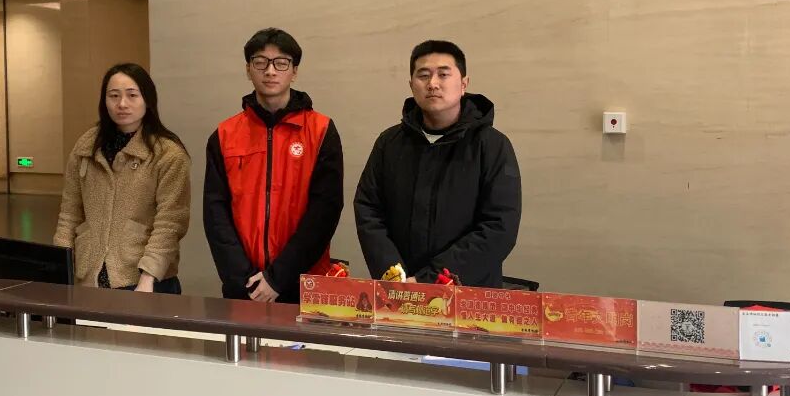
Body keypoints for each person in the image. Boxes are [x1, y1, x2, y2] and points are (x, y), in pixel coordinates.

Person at [354, 40, 521, 287]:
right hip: (398, 290)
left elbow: (499, 227)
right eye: (423, 75)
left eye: (443, 74)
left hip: (466, 293)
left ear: (463, 84)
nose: (432, 83)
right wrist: (396, 276)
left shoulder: (493, 146)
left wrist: (429, 280)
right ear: (411, 85)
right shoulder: (389, 143)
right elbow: (368, 209)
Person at [204, 28, 343, 303]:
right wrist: (243, 279)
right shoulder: (224, 135)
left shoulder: (321, 130)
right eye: (260, 62)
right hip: (244, 286)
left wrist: (278, 278)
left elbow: (325, 211)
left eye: (281, 63)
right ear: (248, 69)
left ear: (294, 71)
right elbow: (215, 213)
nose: (270, 71)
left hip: (304, 283)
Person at [54, 63, 191, 293]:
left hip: (142, 279)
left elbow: (170, 223)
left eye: (132, 95)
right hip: (89, 275)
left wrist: (148, 277)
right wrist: (59, 269)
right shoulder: (86, 146)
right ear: (104, 101)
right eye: (114, 96)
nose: (122, 104)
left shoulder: (168, 154)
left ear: (147, 99)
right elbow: (69, 213)